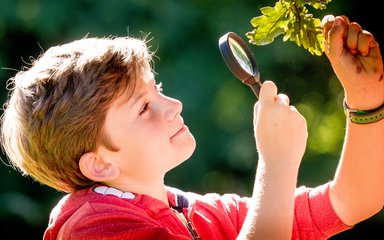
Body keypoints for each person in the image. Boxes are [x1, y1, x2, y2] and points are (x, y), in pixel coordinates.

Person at [0, 14, 382, 239]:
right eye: (143, 107)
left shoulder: (195, 212)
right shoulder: (95, 226)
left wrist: (366, 101)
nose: (174, 105)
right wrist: (277, 163)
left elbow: (352, 201)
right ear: (99, 165)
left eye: (158, 89)